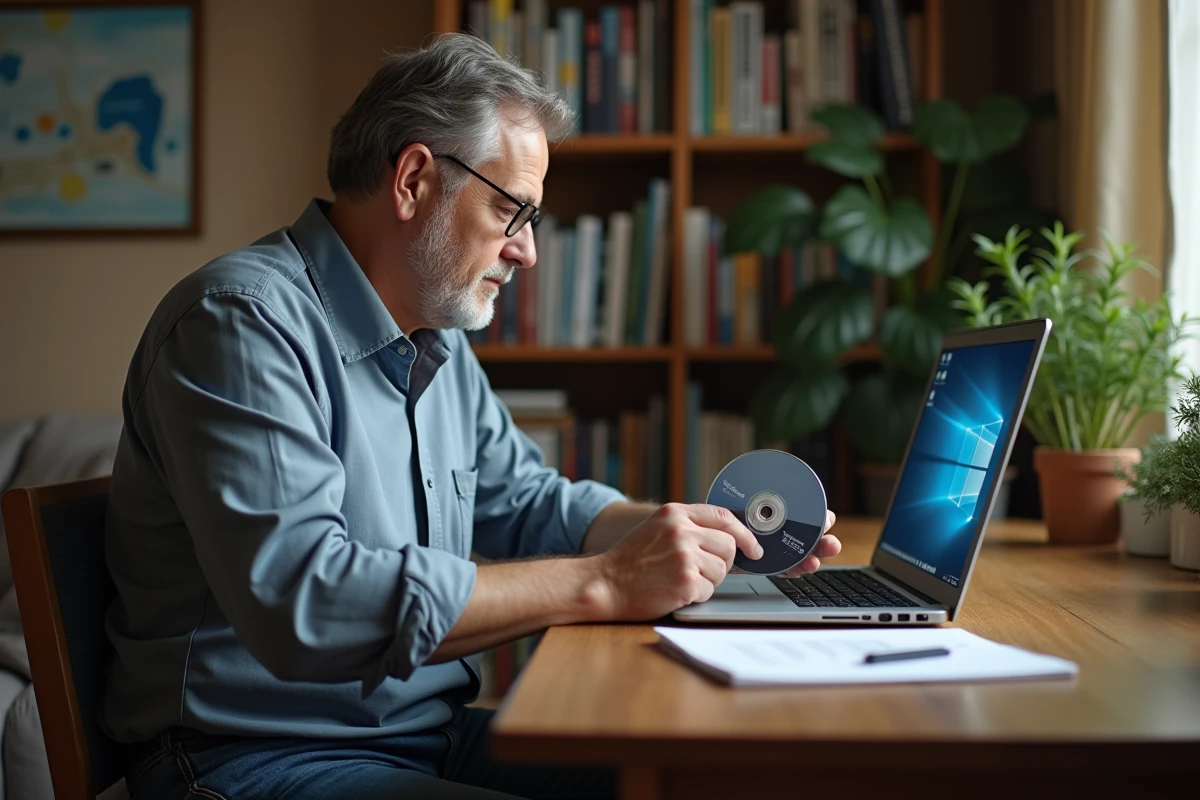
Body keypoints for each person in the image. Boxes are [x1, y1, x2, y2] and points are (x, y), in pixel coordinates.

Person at [103, 33, 841, 800]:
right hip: (251, 757)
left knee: (720, 776)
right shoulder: (240, 324)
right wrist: (607, 583)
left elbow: (530, 503)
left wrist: (700, 537)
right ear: (415, 179)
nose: (526, 253)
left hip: (423, 736)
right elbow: (309, 602)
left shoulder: (436, 343)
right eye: (510, 209)